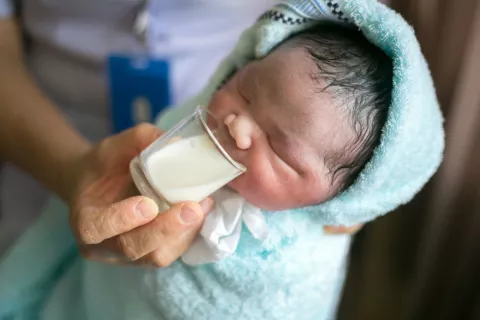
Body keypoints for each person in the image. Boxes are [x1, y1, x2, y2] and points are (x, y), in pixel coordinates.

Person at [0, 1, 356, 263]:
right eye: (244, 90)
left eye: (279, 148)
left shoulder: (288, 247)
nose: (240, 127)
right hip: (37, 143)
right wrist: (67, 169)